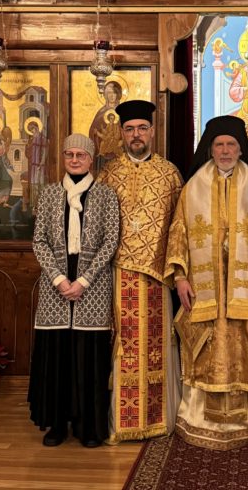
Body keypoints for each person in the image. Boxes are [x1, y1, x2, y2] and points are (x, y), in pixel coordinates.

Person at [165, 115, 248, 450]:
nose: (224, 151)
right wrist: (180, 277)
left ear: (240, 149)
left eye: (231, 145)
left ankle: (246, 419)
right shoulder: (193, 187)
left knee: (243, 353)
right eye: (219, 145)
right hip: (203, 288)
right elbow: (178, 232)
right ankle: (198, 419)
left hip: (242, 291)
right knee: (204, 351)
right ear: (210, 149)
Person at [96, 100, 183, 443]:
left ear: (152, 131)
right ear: (121, 133)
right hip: (118, 273)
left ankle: (159, 419)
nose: (136, 135)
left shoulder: (169, 173)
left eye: (142, 128)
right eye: (130, 129)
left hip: (157, 276)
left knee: (158, 347)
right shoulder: (108, 174)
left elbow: (180, 226)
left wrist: (177, 271)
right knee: (124, 347)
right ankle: (123, 422)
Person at [28, 134, 120, 448]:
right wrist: (58, 279)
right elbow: (39, 241)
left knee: (88, 356)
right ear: (64, 158)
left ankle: (88, 426)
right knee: (57, 355)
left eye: (81, 155)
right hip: (55, 286)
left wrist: (83, 281)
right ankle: (57, 424)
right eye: (70, 154)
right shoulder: (50, 194)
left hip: (92, 287)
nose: (75, 160)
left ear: (91, 159)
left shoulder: (106, 195)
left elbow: (111, 241)